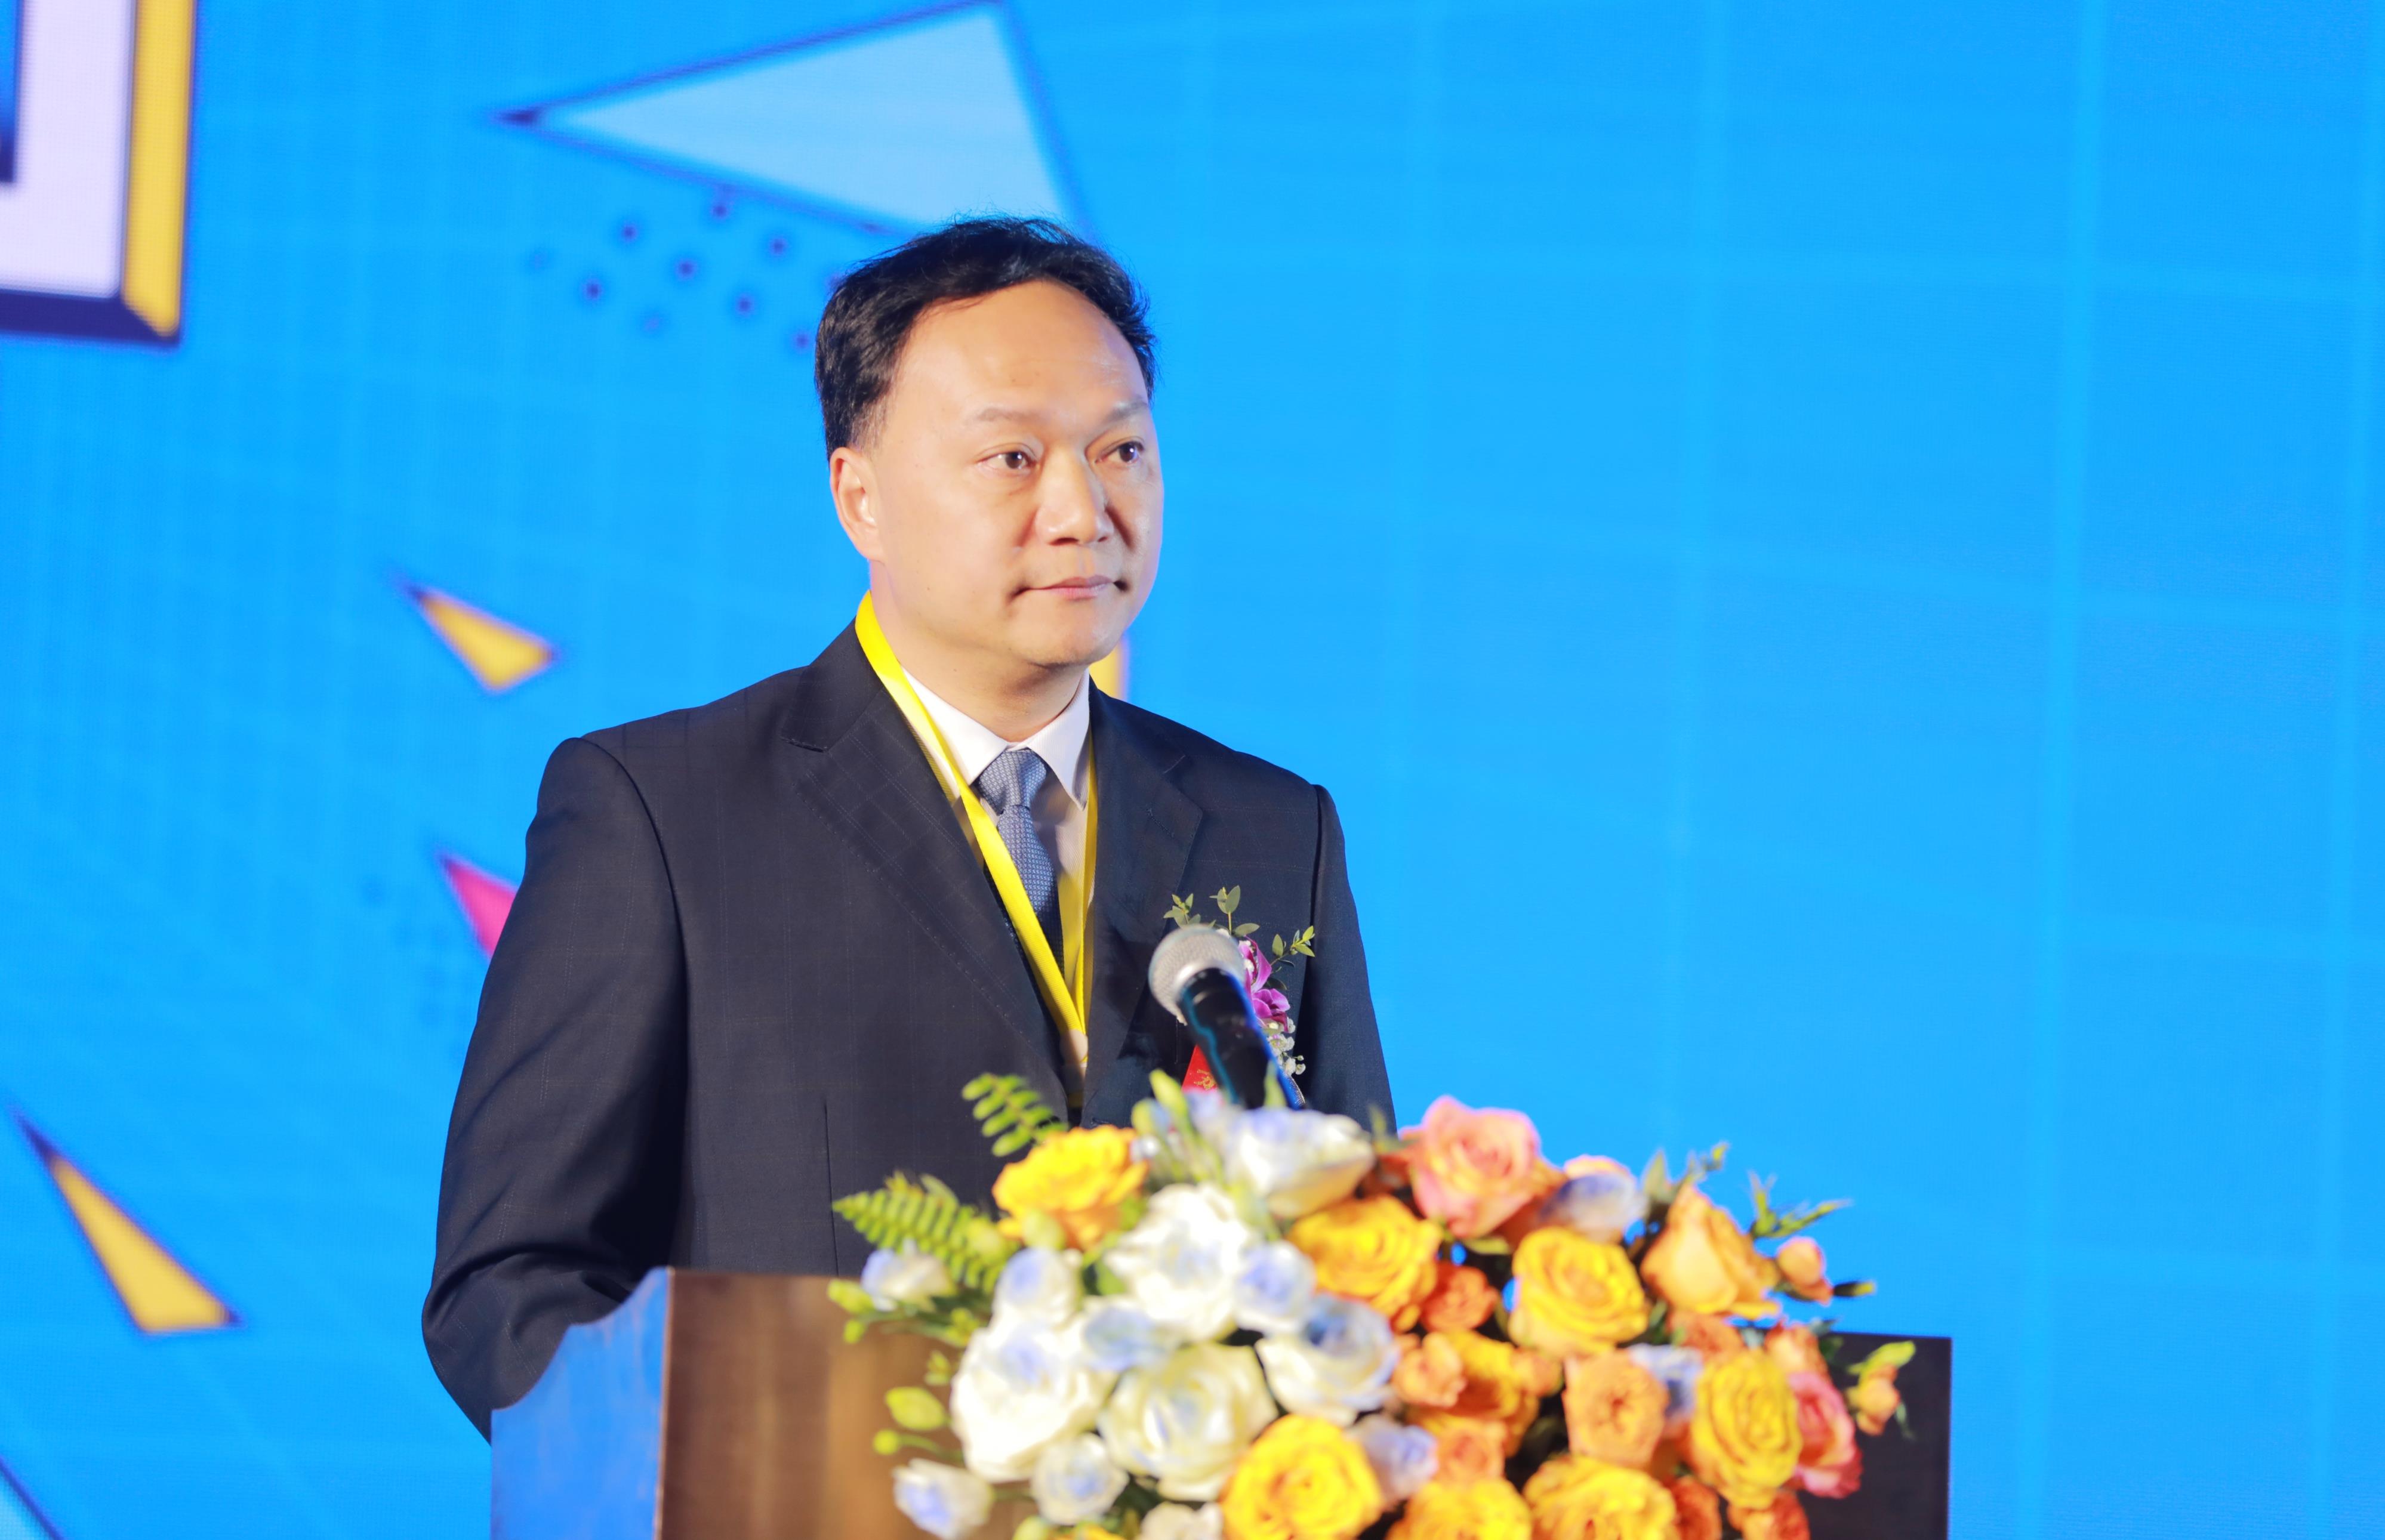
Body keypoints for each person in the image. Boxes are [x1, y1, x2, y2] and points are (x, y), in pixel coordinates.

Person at [422, 218, 1394, 1436]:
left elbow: (1361, 1250)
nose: (1082, 508)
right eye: (1012, 457)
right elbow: (510, 1290)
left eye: (1122, 450)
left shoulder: (1274, 827)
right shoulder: (660, 813)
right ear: (861, 497)